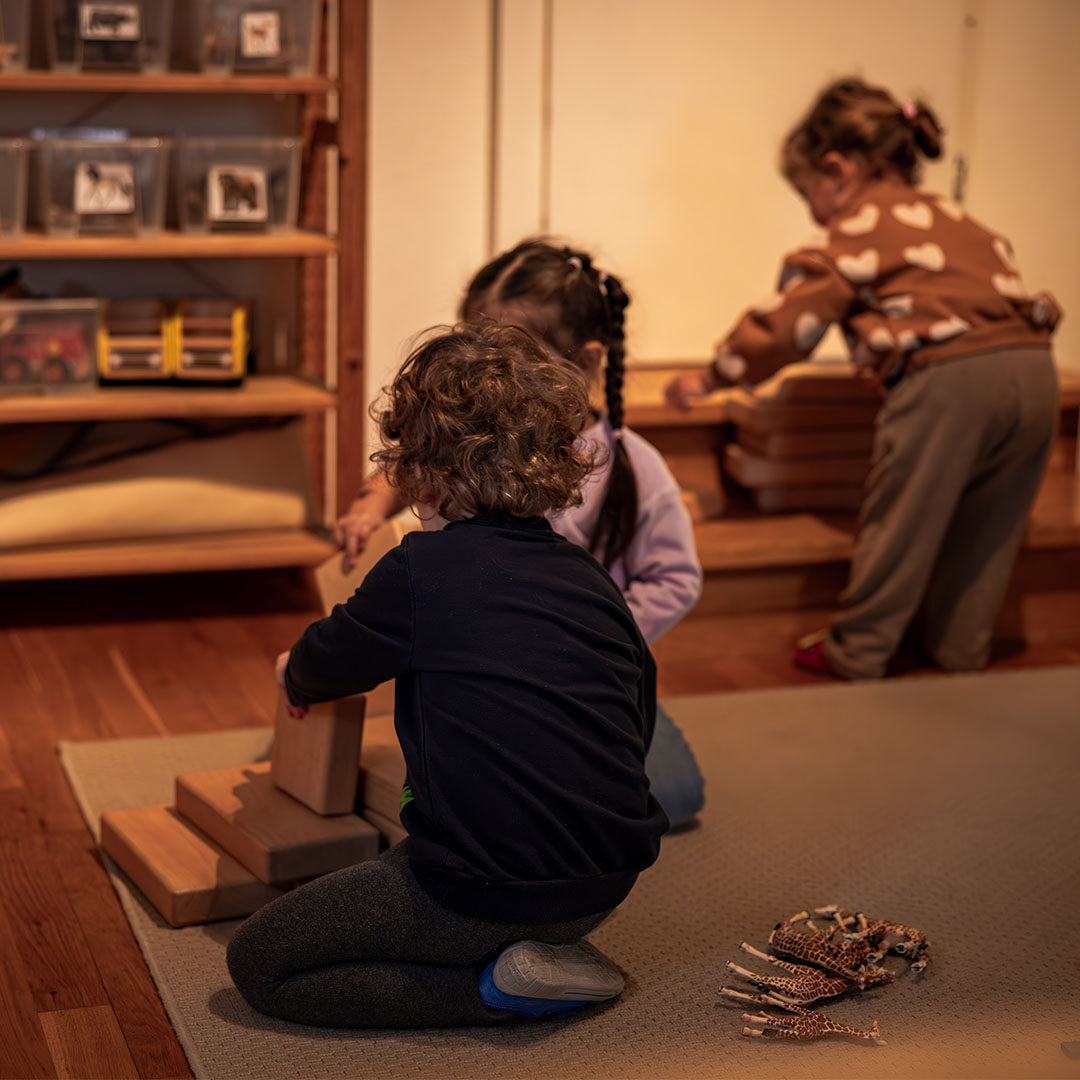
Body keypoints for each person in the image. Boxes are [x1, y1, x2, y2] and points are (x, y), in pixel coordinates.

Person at [226, 322, 668, 1028]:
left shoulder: (417, 570)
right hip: (608, 881)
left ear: (419, 472)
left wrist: (293, 673)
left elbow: (328, 658)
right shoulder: (590, 579)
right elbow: (637, 714)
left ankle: (496, 991)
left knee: (262, 963)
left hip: (482, 889)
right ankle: (543, 955)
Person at [665, 77, 1061, 680]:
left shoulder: (859, 227)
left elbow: (792, 322)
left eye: (808, 195)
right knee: (989, 529)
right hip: (1035, 371)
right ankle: (960, 648)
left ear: (838, 170)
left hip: (951, 382)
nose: (813, 214)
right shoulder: (962, 220)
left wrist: (714, 374)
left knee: (901, 519)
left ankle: (859, 648)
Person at [337, 240, 706, 826]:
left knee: (673, 793)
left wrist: (594, 641)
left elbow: (676, 579)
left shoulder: (636, 467)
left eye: (515, 355)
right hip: (478, 669)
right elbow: (411, 462)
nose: (488, 374)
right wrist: (368, 505)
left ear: (586, 361)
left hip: (583, 681)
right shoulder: (475, 442)